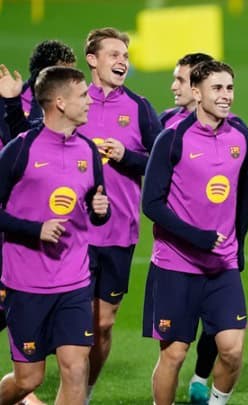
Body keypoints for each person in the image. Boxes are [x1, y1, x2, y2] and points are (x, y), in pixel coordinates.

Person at [142, 60, 248, 405]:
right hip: (176, 264)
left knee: (232, 350)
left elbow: (245, 196)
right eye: (217, 88)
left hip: (222, 264)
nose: (226, 95)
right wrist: (197, 237)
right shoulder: (172, 138)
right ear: (197, 92)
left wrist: (239, 246)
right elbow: (152, 204)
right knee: (174, 354)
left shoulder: (240, 136)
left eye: (230, 88)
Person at [0, 65, 109, 405]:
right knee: (28, 379)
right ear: (60, 102)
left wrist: (100, 210)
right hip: (26, 285)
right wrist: (36, 229)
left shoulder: (88, 151)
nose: (90, 101)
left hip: (74, 281)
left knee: (76, 370)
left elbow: (94, 209)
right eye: (82, 95)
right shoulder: (19, 150)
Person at [80, 27, 162, 400]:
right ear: (92, 60)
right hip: (74, 233)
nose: (122, 62)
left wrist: (126, 156)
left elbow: (162, 165)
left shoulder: (140, 107)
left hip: (119, 232)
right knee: (71, 321)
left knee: (103, 323)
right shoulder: (75, 102)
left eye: (125, 56)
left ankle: (84, 392)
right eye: (113, 54)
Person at [0, 40, 77, 137]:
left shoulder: (74, 103)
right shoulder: (10, 101)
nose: (70, 80)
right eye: (63, 75)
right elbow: (22, 140)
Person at [159, 53, 214, 129]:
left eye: (181, 80)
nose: (173, 87)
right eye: (175, 79)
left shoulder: (229, 124)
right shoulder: (165, 119)